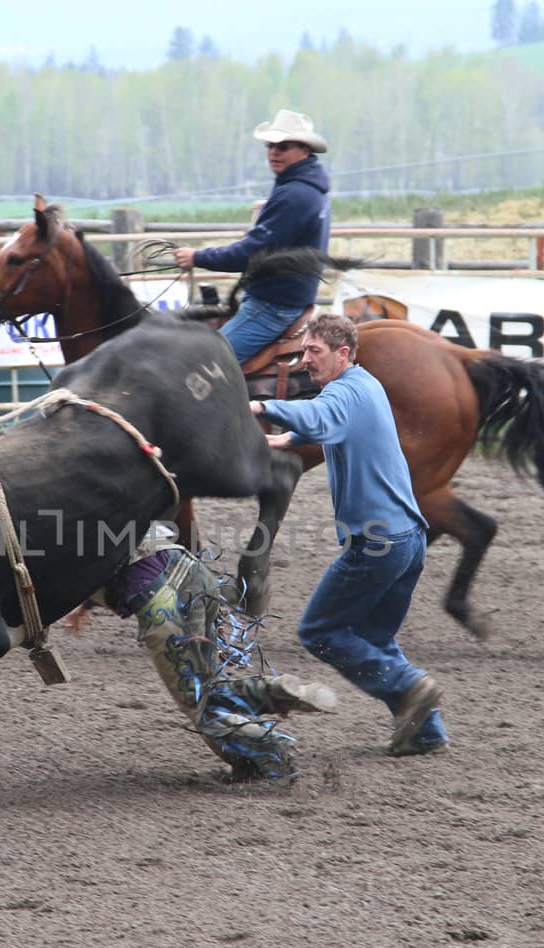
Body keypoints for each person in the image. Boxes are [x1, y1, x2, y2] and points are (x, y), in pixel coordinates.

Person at [248, 314, 448, 757]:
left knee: (321, 630)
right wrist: (285, 440)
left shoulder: (344, 391)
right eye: (302, 352)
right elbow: (331, 422)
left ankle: (410, 685)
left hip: (378, 543)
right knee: (375, 641)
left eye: (313, 352)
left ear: (343, 353)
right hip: (409, 539)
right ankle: (425, 730)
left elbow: (323, 415)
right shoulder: (366, 386)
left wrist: (261, 407)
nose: (304, 361)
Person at [66, 536, 337, 780]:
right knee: (209, 684)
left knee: (200, 706)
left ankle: (272, 749)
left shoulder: (54, 522)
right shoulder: (99, 498)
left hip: (161, 600)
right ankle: (276, 694)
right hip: (191, 571)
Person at [173, 109, 332, 364]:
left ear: (304, 150)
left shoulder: (294, 195)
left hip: (273, 304)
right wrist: (271, 208)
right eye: (270, 145)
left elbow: (251, 254)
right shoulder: (306, 188)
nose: (273, 152)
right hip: (288, 296)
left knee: (205, 364)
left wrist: (198, 256)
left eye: (283, 146)